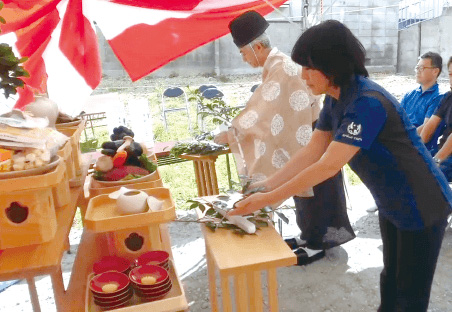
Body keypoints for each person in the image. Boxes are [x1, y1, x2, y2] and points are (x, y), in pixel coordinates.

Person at [230, 20, 452, 312]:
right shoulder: (335, 100)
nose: (303, 75)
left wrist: (268, 200)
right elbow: (311, 151)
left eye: (310, 67)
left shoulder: (366, 103)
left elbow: (326, 167)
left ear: (332, 65)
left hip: (423, 203)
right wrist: (266, 185)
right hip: (392, 202)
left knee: (410, 293)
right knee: (390, 279)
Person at [215, 11, 355, 265]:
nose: (245, 59)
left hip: (311, 132)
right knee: (302, 190)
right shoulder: (276, 64)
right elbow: (267, 108)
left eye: (244, 53)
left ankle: (317, 244)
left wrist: (234, 132)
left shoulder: (281, 67)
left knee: (314, 190)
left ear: (257, 46)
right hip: (303, 128)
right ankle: (308, 237)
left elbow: (261, 110)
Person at [420, 56, 452, 181]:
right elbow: (429, 127)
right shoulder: (447, 97)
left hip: (446, 158)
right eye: (450, 74)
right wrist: (416, 151)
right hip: (441, 153)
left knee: (424, 177)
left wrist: (436, 161)